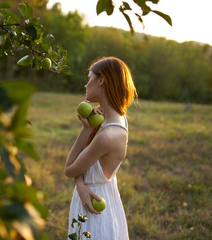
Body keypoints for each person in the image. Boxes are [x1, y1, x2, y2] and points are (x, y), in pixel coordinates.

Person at [64, 56, 137, 240]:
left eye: (89, 79)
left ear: (102, 80)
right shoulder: (115, 118)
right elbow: (82, 166)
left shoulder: (107, 136)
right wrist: (80, 184)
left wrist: (85, 130)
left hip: (92, 204)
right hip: (96, 195)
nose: (86, 85)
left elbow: (70, 168)